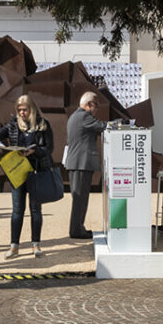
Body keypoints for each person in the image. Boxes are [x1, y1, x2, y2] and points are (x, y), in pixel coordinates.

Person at [0, 94, 54, 258]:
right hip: (18, 171)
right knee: (17, 209)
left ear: (31, 109)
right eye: (19, 110)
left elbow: (49, 148)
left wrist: (35, 151)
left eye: (24, 109)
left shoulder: (42, 124)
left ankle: (36, 245)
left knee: (35, 209)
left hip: (36, 170)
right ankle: (14, 246)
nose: (21, 113)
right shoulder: (13, 124)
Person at [65, 91, 107, 239]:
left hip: (77, 163)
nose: (97, 110)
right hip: (80, 163)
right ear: (89, 104)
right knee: (80, 199)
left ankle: (78, 228)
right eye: (96, 106)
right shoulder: (84, 116)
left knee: (80, 199)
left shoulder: (76, 116)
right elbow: (103, 126)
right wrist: (119, 123)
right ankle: (76, 230)